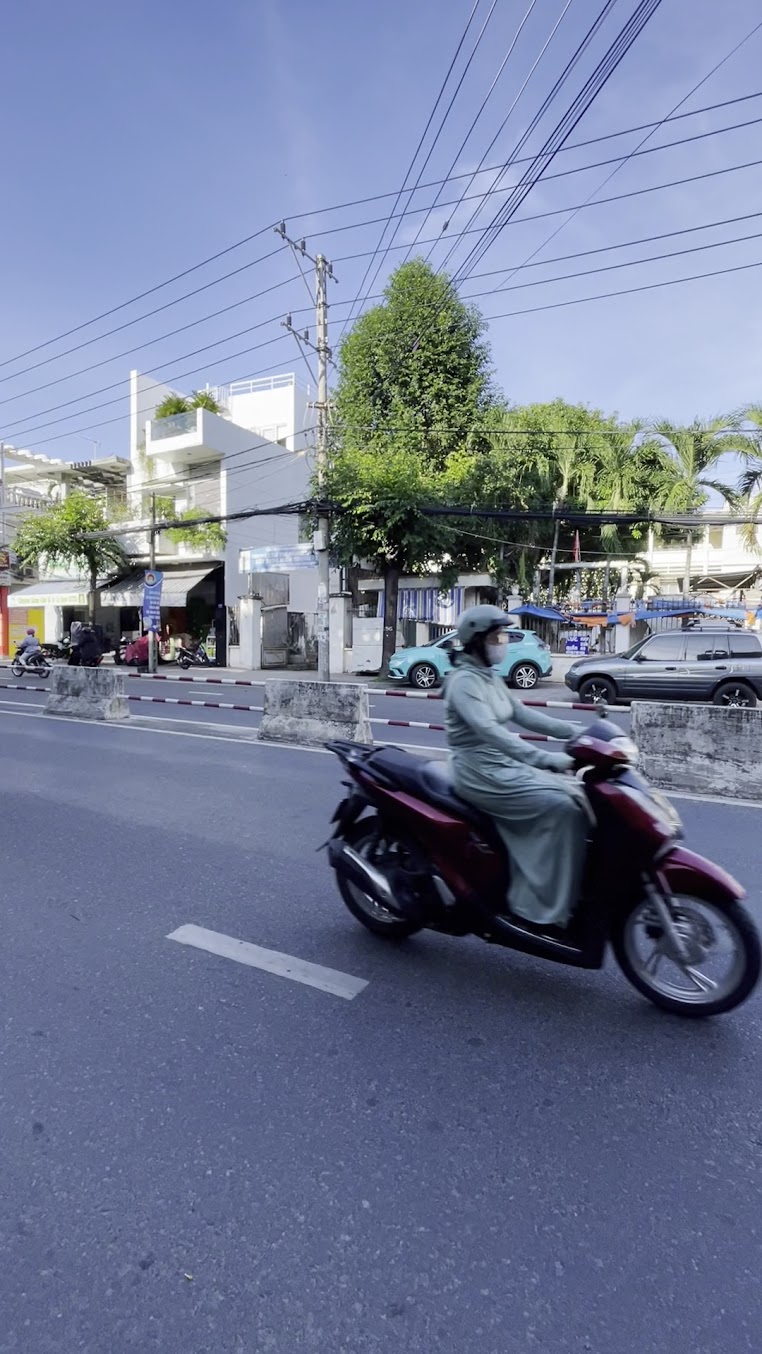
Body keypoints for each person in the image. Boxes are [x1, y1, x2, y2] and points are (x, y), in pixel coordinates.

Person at [445, 605, 589, 931]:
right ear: (477, 640)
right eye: (496, 637)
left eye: (503, 636)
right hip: (478, 771)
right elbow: (492, 733)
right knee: (563, 808)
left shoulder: (488, 677)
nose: (503, 643)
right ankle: (538, 903)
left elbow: (524, 715)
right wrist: (548, 759)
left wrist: (578, 733)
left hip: (500, 764)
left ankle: (564, 888)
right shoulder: (463, 682)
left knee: (579, 796)